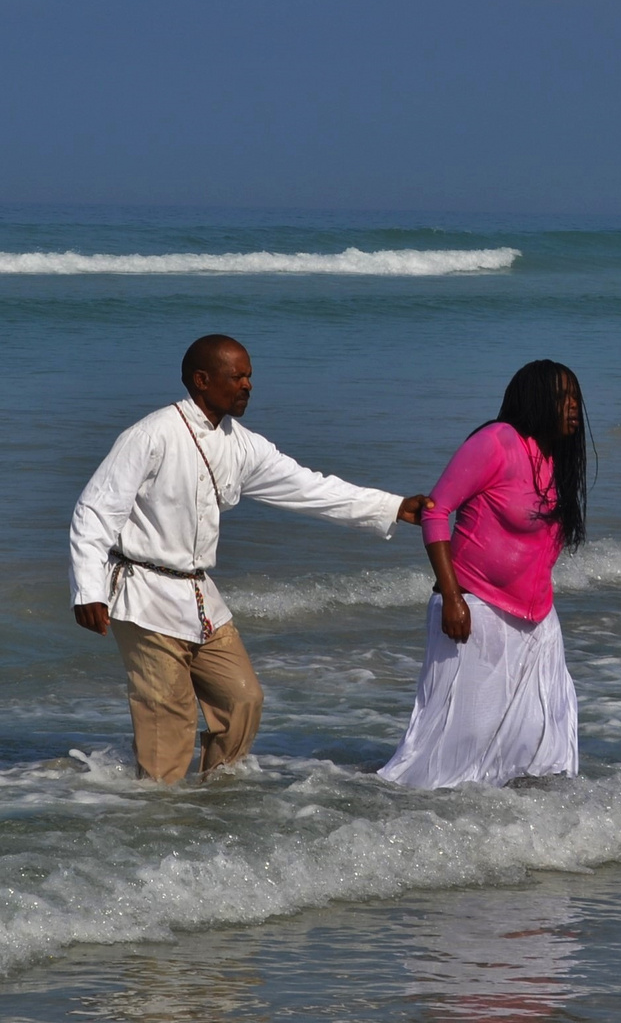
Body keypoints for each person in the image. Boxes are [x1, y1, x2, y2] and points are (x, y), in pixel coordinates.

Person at [70, 334, 430, 784]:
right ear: (202, 381)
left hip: (199, 596)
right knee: (169, 720)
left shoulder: (241, 444)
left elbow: (310, 488)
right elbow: (95, 510)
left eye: (250, 376)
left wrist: (392, 507)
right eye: (237, 376)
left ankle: (213, 799)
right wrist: (88, 590)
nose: (248, 385)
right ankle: (156, 822)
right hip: (143, 595)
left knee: (242, 700)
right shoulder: (150, 435)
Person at [379, 360, 588, 789]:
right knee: (457, 742)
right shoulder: (496, 442)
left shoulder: (556, 459)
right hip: (474, 608)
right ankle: (410, 819)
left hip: (538, 621)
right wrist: (453, 598)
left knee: (540, 739)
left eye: (575, 399)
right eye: (562, 398)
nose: (572, 408)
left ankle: (520, 832)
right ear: (535, 400)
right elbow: (436, 512)